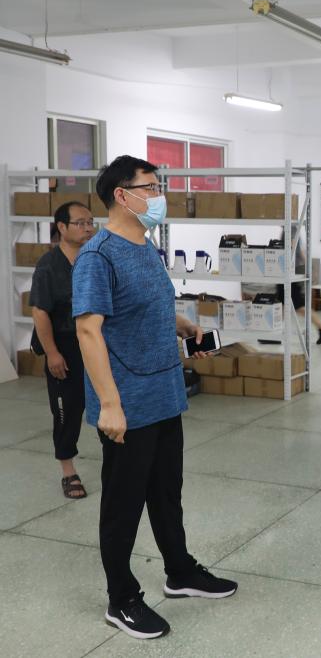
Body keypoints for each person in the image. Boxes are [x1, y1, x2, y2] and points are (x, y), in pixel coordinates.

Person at [74, 156, 237, 641]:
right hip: (128, 403)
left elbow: (147, 305)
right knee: (123, 505)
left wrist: (183, 327)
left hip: (165, 392)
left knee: (167, 493)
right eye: (151, 186)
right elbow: (88, 330)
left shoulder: (145, 245)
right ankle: (121, 598)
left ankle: (180, 572)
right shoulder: (98, 256)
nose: (159, 195)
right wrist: (109, 404)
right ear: (122, 195)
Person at [30, 200, 96, 498]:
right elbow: (40, 312)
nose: (88, 228)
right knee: (67, 410)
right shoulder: (49, 265)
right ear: (62, 227)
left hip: (94, 342)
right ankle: (68, 471)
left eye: (90, 222)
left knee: (105, 401)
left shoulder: (95, 259)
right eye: (80, 223)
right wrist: (53, 353)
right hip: (64, 345)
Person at [275, 227, 321, 344]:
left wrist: (308, 269)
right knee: (282, 305)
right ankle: (275, 333)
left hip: (290, 274)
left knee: (298, 306)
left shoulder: (291, 229)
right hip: (286, 272)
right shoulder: (288, 229)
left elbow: (297, 249)